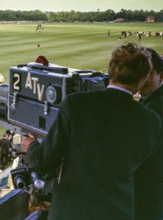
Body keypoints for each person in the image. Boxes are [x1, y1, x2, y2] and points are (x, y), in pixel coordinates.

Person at [21, 42, 163, 220]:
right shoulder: (151, 121)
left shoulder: (76, 104)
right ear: (141, 79)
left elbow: (44, 160)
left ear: (111, 70)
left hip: (70, 212)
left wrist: (31, 146)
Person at [135, 48, 163, 220]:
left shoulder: (155, 108)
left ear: (161, 75)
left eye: (148, 74)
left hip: (150, 193)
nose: (142, 80)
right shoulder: (150, 100)